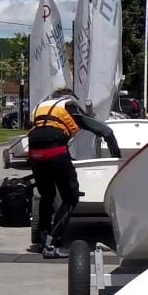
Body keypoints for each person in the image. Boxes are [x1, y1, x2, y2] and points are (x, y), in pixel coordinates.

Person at [24, 85, 121, 258]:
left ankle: (41, 240)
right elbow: (103, 130)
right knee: (70, 197)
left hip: (34, 152)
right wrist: (117, 157)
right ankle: (52, 243)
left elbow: (37, 129)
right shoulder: (69, 106)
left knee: (47, 196)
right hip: (55, 151)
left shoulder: (41, 107)